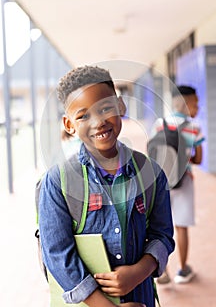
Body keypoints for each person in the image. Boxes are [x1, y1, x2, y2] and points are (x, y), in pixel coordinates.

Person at [38, 65, 175, 307]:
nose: (98, 121)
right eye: (83, 116)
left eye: (105, 108)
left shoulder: (151, 173)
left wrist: (140, 271)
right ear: (69, 125)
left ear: (120, 106)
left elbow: (162, 234)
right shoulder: (58, 181)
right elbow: (58, 254)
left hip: (139, 299)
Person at [154, 85, 205, 284]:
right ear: (186, 104)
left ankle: (163, 271)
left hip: (161, 181)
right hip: (184, 181)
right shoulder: (194, 127)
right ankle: (183, 270)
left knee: (159, 226)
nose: (198, 108)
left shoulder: (160, 123)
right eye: (196, 103)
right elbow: (198, 160)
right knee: (181, 226)